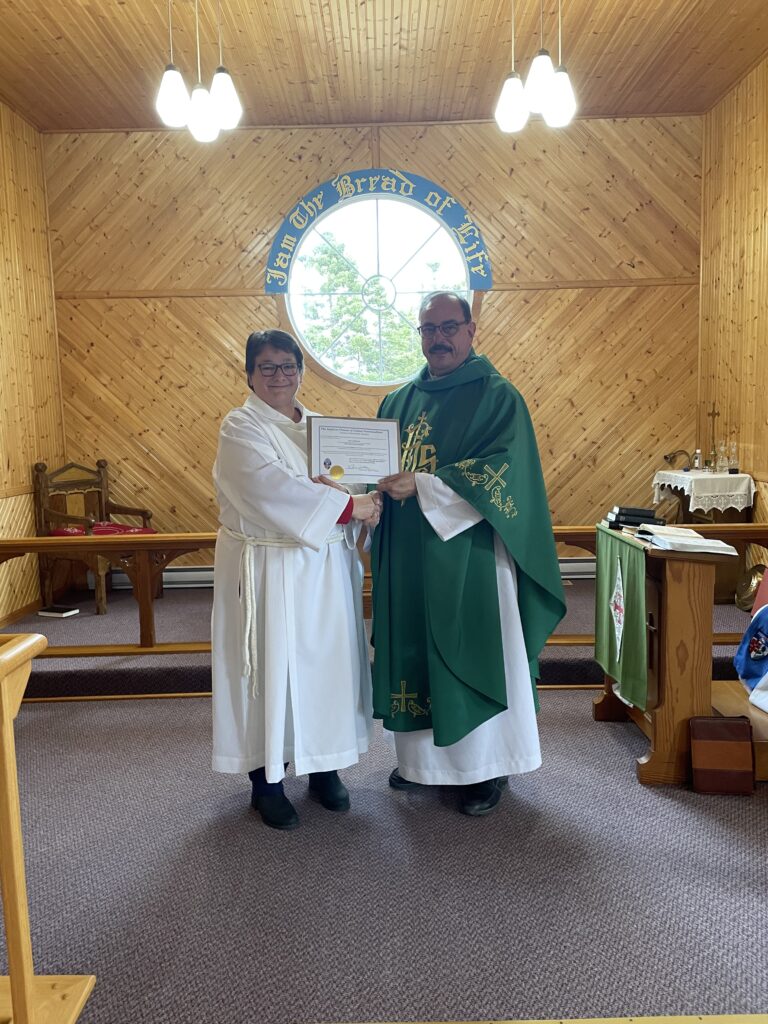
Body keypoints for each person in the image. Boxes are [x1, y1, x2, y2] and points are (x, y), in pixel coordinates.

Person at [370, 291, 566, 816]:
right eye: (428, 329)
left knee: (474, 650)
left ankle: (486, 769)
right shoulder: (396, 402)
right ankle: (421, 764)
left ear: (471, 329)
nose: (439, 338)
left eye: (449, 327)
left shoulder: (498, 397)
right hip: (412, 555)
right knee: (415, 651)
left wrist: (428, 486)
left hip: (471, 555)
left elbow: (506, 471)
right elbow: (381, 471)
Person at [212, 329, 380, 830]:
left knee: (328, 667)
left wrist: (369, 492)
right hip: (269, 569)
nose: (280, 376)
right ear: (250, 374)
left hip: (326, 571)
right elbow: (270, 488)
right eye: (267, 367)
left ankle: (325, 767)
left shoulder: (322, 428)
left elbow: (351, 478)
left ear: (301, 372)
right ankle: (266, 781)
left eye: (288, 366)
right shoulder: (240, 428)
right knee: (269, 671)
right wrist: (348, 503)